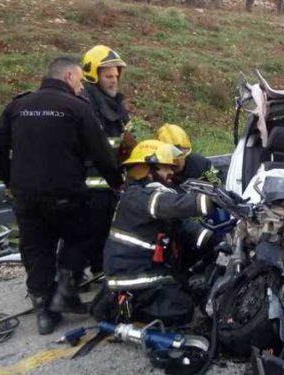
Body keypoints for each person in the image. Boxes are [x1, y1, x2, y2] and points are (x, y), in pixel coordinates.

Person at [0, 56, 124, 335]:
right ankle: (66, 289)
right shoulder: (77, 108)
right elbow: (101, 153)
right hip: (66, 195)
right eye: (79, 81)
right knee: (81, 236)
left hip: (26, 197)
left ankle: (44, 313)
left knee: (36, 249)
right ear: (69, 77)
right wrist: (116, 182)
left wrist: (11, 179)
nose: (81, 87)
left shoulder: (17, 106)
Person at [96, 140, 217, 325]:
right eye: (165, 168)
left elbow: (183, 227)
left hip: (146, 268)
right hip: (131, 276)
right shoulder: (138, 196)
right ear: (147, 170)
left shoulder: (150, 198)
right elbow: (174, 205)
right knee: (183, 310)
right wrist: (211, 200)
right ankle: (122, 309)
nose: (171, 172)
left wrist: (217, 240)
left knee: (190, 291)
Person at [80, 45, 132, 275]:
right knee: (92, 230)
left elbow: (125, 139)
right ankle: (90, 272)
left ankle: (100, 268)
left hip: (110, 178)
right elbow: (96, 146)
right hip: (91, 180)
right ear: (93, 75)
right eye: (108, 76)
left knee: (104, 228)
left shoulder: (113, 102)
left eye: (116, 76)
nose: (114, 81)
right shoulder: (86, 103)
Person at [155, 123, 222, 188]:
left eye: (181, 154)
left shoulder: (202, 165)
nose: (177, 162)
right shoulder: (152, 170)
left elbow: (218, 184)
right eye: (171, 157)